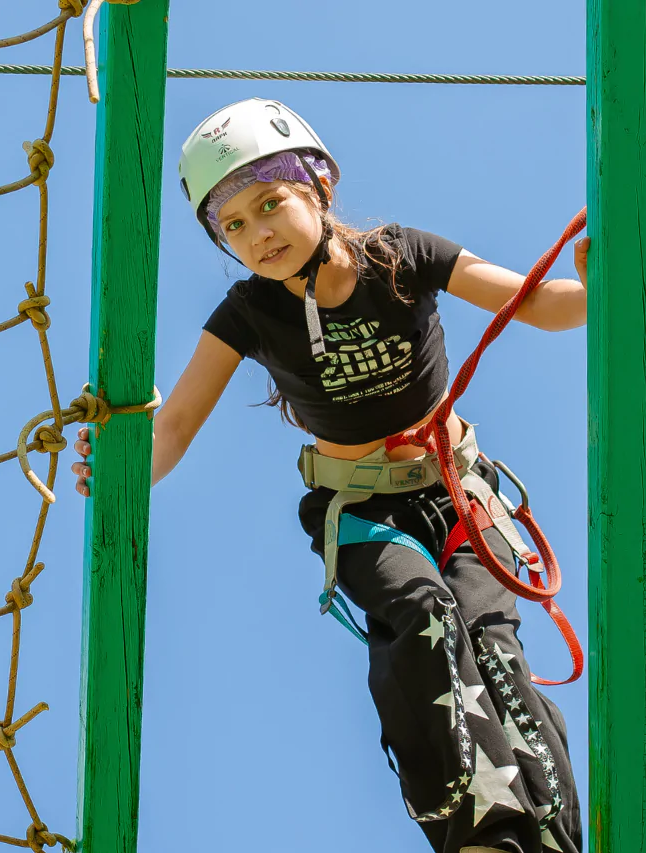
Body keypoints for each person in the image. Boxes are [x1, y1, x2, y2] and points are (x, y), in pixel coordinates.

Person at [72, 98, 589, 853]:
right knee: (422, 617)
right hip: (362, 509)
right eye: (234, 226)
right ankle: (479, 836)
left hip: (459, 496)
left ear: (319, 188)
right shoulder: (248, 314)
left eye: (270, 203)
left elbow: (540, 306)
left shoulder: (402, 256)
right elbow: (175, 424)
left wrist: (599, 283)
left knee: (495, 650)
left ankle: (555, 835)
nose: (258, 235)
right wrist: (122, 470)